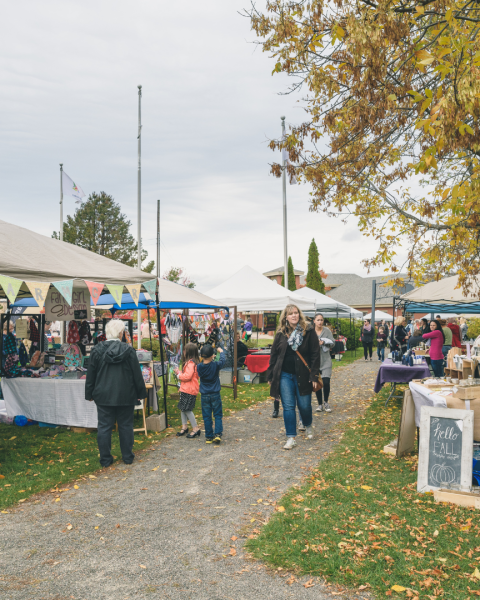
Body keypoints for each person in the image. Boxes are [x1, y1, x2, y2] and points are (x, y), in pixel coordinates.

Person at [85, 319, 147, 467]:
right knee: (126, 425)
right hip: (126, 394)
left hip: (103, 395)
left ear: (107, 334)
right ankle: (127, 457)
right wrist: (141, 392)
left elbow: (91, 374)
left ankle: (105, 459)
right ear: (121, 333)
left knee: (104, 426)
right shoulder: (129, 350)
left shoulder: (97, 350)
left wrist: (89, 393)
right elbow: (136, 374)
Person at [266, 304, 320, 450]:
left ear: (299, 315)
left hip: (303, 375)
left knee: (304, 406)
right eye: (290, 314)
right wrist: (271, 375)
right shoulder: (280, 333)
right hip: (284, 376)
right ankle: (291, 437)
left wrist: (314, 375)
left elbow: (315, 353)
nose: (294, 315)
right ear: (286, 317)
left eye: (296, 313)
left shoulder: (308, 331)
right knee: (288, 406)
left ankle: (308, 424)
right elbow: (274, 355)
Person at [197, 344, 226, 444]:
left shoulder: (199, 367)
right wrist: (221, 352)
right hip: (215, 394)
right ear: (212, 355)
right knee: (218, 414)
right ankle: (217, 434)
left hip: (204, 395)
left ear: (201, 356)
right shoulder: (215, 365)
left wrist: (208, 357)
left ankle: (209, 436)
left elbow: (202, 364)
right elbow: (223, 361)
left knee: (206, 416)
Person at [175, 343, 201, 438]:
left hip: (189, 390)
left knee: (187, 409)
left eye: (185, 350)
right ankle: (184, 426)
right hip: (187, 389)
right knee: (183, 408)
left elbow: (188, 376)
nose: (183, 352)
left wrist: (179, 375)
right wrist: (179, 372)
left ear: (188, 352)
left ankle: (195, 428)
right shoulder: (194, 363)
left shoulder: (190, 364)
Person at [312, 313, 334, 413]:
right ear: (314, 321)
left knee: (326, 382)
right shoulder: (311, 332)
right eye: (318, 320)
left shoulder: (327, 331)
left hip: (326, 361)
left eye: (321, 320)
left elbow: (333, 343)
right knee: (317, 383)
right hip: (315, 362)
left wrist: (324, 342)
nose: (320, 322)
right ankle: (320, 404)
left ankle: (326, 402)